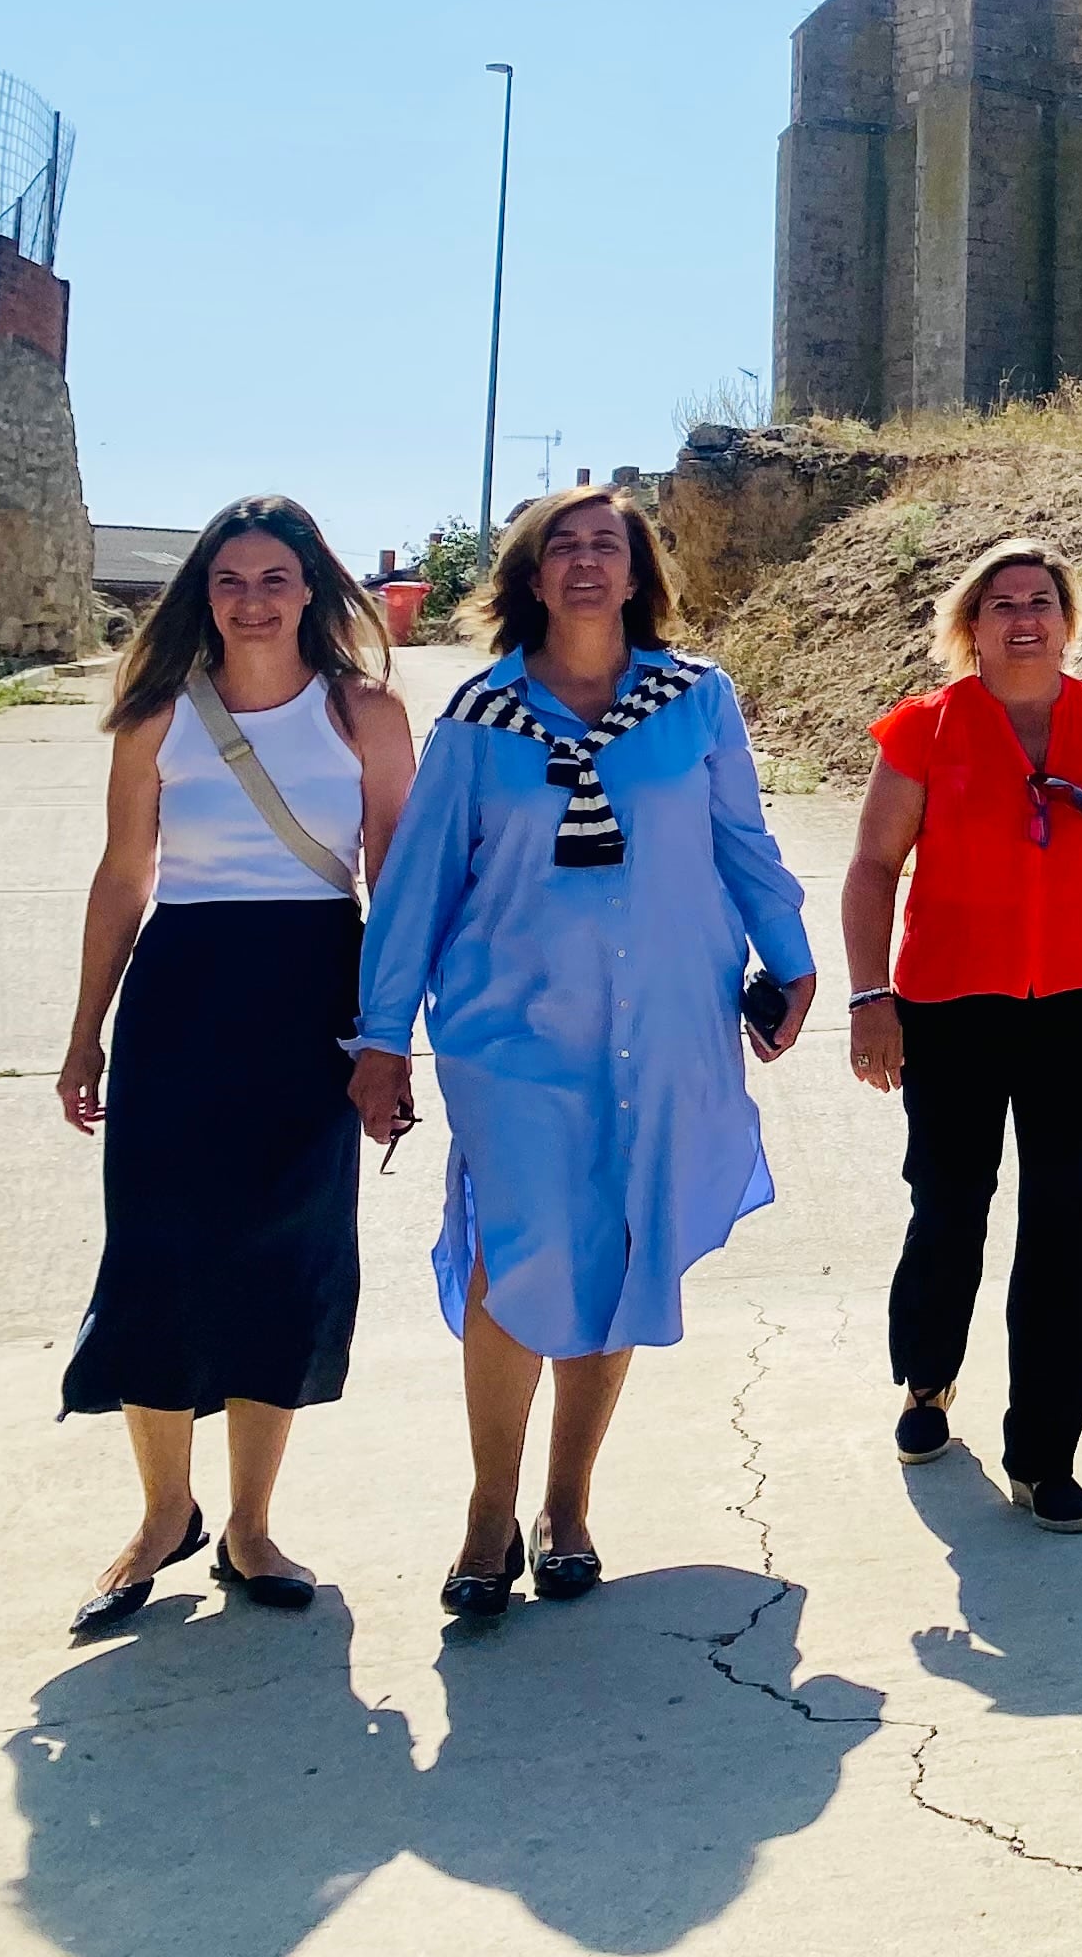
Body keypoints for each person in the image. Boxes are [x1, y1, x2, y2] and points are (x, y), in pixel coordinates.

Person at [347, 484, 817, 1619]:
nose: (588, 563)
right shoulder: (478, 721)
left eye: (610, 545)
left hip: (662, 1027)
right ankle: (485, 1510)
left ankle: (567, 1507)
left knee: (612, 1245)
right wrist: (380, 1037)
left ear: (639, 570)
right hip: (516, 1035)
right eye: (564, 547)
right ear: (531, 576)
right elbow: (417, 889)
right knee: (515, 1255)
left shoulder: (695, 702)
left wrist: (792, 959)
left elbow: (741, 842)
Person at [59, 495, 417, 1632]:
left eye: (274, 578)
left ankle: (252, 1528)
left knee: (288, 1255)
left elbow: (394, 883)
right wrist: (85, 1030)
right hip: (182, 993)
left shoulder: (366, 713)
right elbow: (125, 877)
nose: (252, 599)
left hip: (315, 991)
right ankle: (166, 1515)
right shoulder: (158, 714)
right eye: (230, 580)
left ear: (312, 587)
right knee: (157, 1252)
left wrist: (386, 1038)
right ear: (202, 595)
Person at [841, 540, 1082, 1533]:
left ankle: (1045, 1454)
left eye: (1042, 602)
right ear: (970, 626)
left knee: (1069, 1224)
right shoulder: (926, 732)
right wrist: (870, 998)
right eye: (1001, 605)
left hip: (1079, 1005)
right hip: (950, 1005)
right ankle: (928, 1379)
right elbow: (870, 867)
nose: (1024, 620)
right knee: (949, 1208)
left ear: (1067, 618)